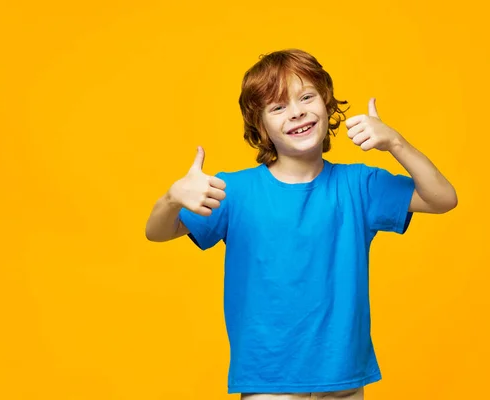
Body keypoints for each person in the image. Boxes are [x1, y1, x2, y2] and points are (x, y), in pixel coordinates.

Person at [145, 49, 457, 399]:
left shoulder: (359, 185)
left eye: (307, 97)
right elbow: (157, 233)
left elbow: (443, 198)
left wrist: (395, 143)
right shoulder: (235, 191)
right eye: (277, 107)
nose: (297, 112)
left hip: (343, 379)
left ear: (326, 104)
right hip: (268, 381)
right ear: (261, 126)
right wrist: (172, 198)